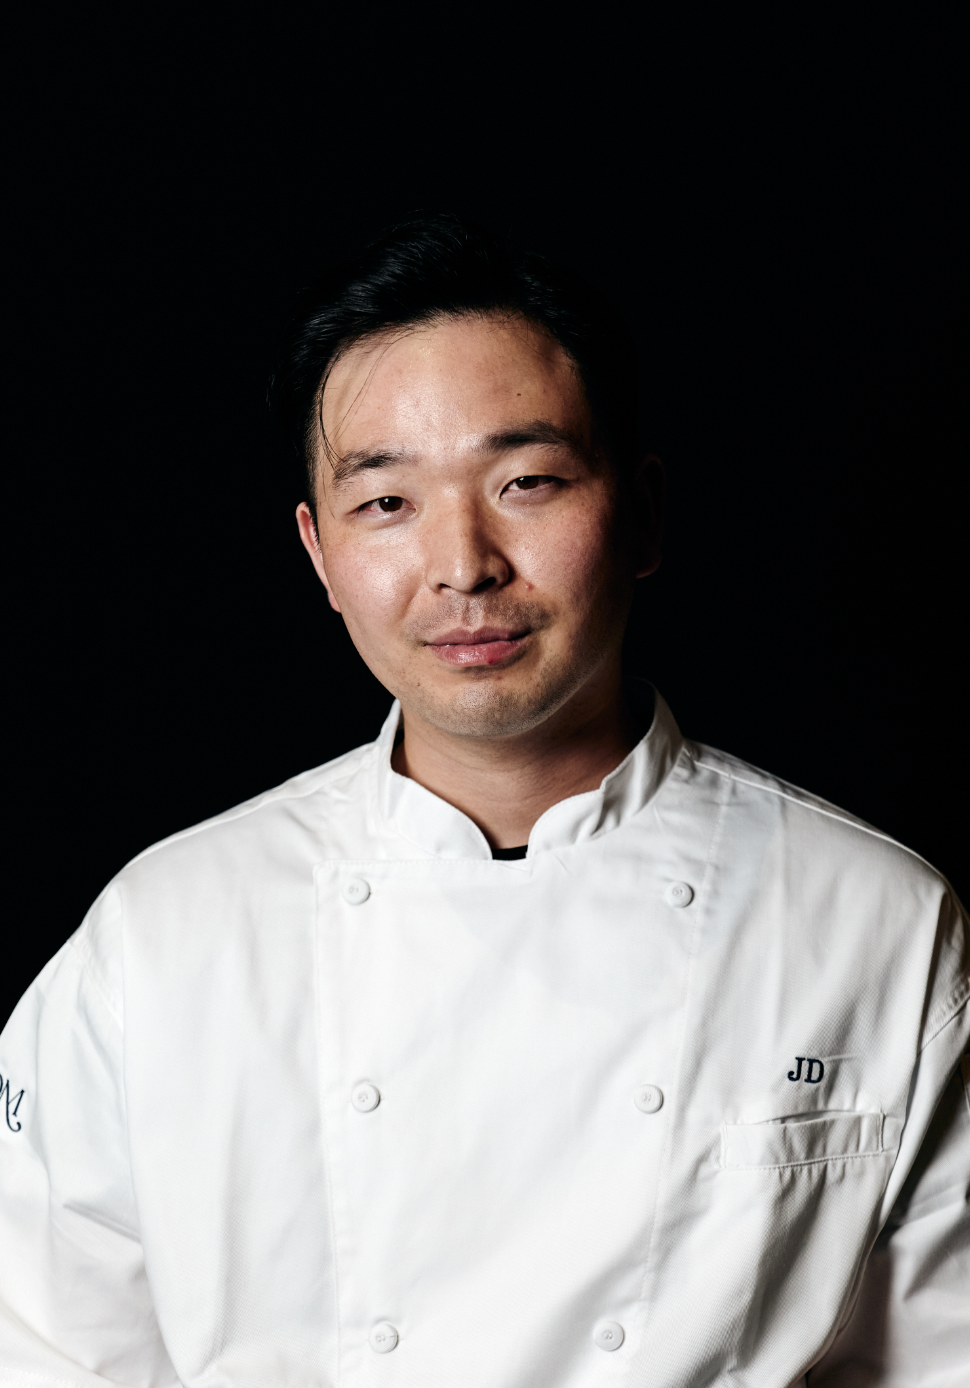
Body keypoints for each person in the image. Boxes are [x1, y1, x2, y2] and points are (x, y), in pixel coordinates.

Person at [0, 215, 966, 1387]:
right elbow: (46, 1350)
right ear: (317, 552)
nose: (464, 564)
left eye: (526, 481)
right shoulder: (159, 936)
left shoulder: (876, 920)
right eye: (385, 502)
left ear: (642, 513)